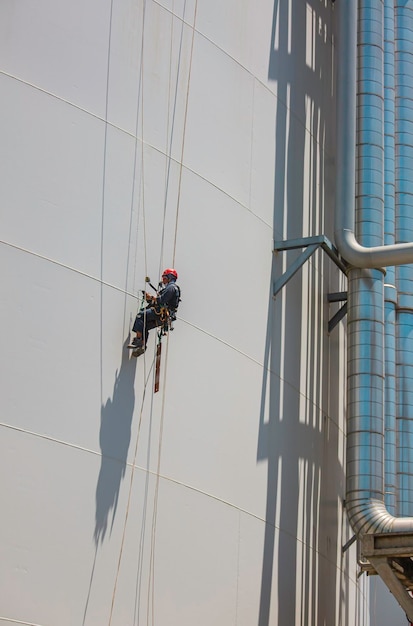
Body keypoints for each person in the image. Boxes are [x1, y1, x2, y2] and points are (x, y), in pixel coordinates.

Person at [128, 268, 180, 354]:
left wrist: (152, 298)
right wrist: (150, 299)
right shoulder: (170, 288)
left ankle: (138, 340)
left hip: (161, 313)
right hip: (162, 317)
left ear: (170, 277)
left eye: (164, 277)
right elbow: (160, 301)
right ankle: (142, 345)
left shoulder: (171, 287)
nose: (163, 280)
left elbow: (162, 300)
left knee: (141, 316)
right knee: (145, 325)